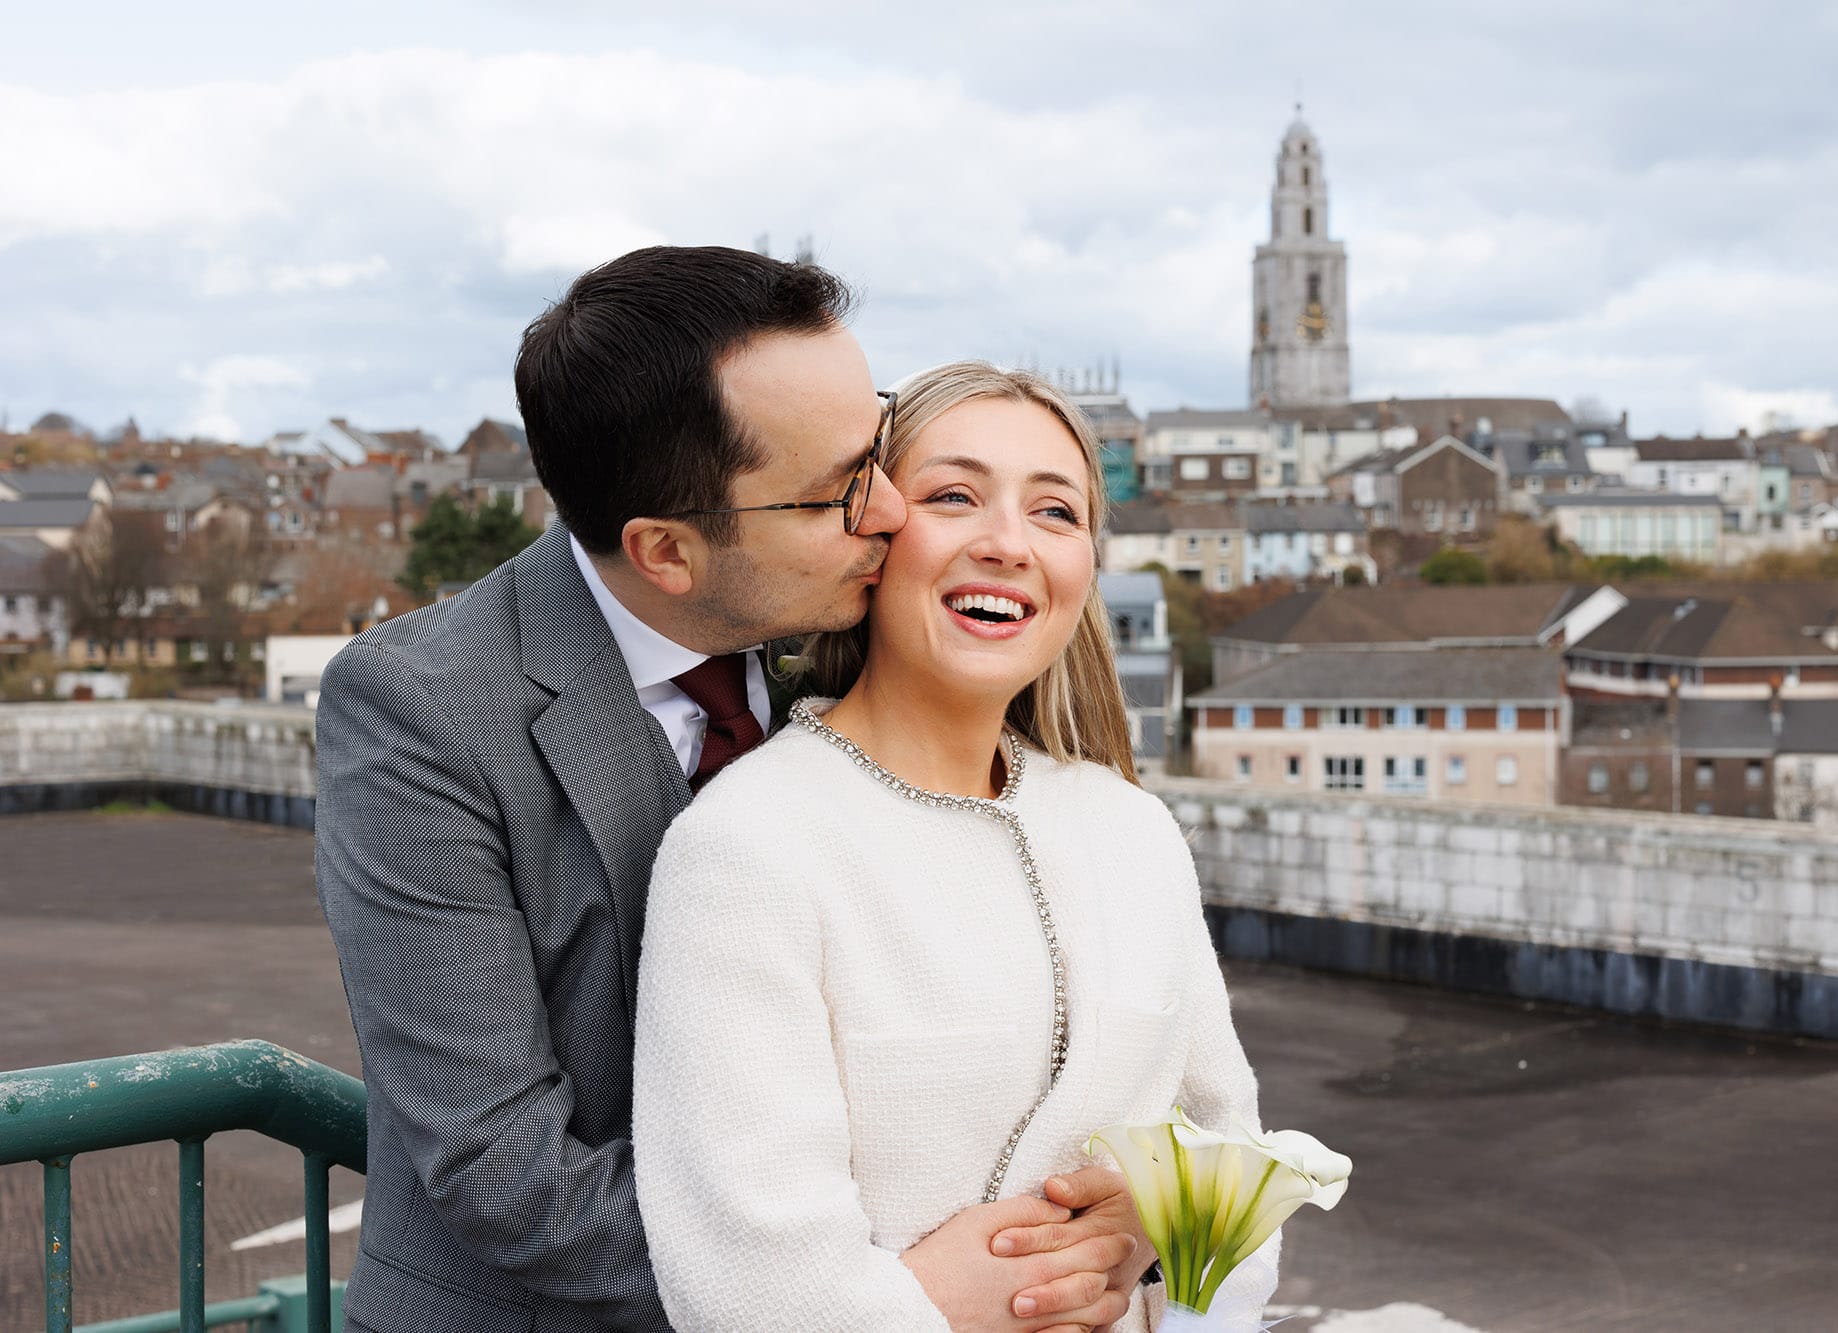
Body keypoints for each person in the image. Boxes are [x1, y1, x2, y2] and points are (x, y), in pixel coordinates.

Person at [316, 249, 1144, 1332]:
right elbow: (501, 1164)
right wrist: (876, 1293)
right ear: (666, 551)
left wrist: (1119, 1224)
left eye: (878, 441)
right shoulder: (419, 712)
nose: (891, 511)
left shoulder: (847, 648)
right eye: (841, 490)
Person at [632, 361, 1279, 1331]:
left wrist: (1151, 1229)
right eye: (953, 496)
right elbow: (744, 1281)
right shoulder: (745, 848)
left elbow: (1237, 1171)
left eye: (1055, 512)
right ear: (872, 533)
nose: (1008, 543)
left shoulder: (1131, 831)